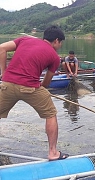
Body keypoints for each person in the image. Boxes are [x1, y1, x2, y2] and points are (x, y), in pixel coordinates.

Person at [0, 25, 69, 160]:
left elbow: (1, 48)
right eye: (61, 43)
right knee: (51, 114)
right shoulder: (54, 57)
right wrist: (41, 90)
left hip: (6, 85)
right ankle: (53, 152)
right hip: (30, 88)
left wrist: (4, 72)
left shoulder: (24, 40)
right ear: (56, 40)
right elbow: (46, 83)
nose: (60, 46)